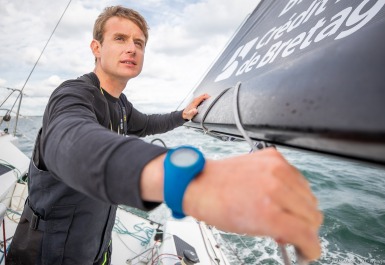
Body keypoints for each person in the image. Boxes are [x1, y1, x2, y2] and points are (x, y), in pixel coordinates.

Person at [6, 5, 323, 265]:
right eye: (120, 38)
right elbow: (72, 141)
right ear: (96, 48)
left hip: (97, 248)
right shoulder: (72, 95)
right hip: (46, 252)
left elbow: (147, 124)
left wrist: (183, 115)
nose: (132, 47)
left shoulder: (121, 106)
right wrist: (188, 181)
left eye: (139, 42)